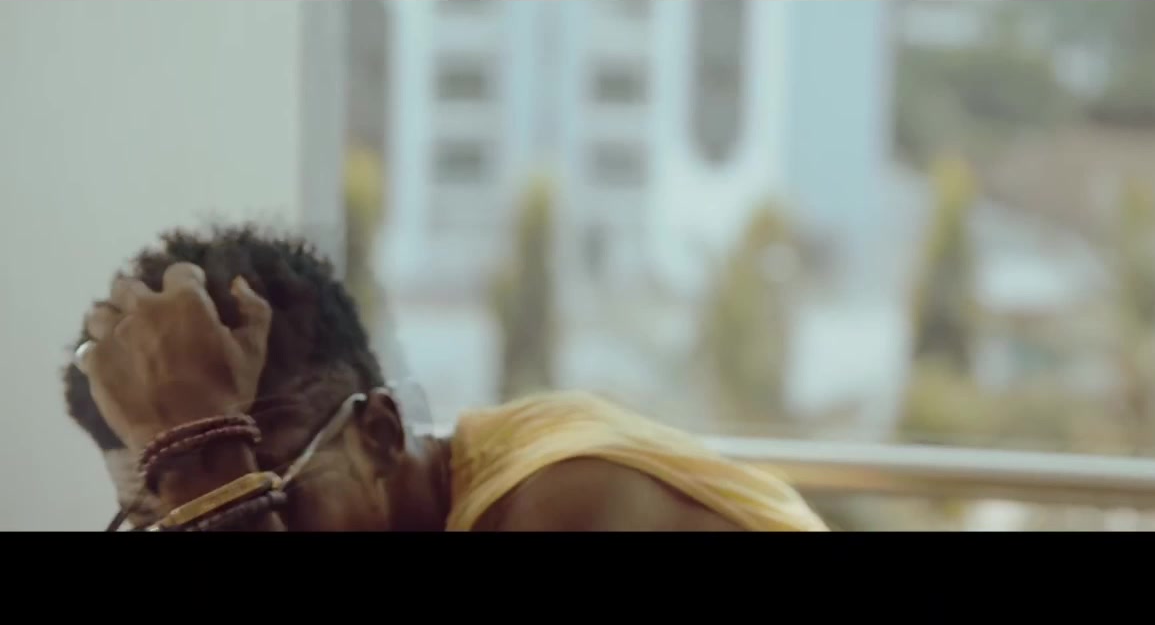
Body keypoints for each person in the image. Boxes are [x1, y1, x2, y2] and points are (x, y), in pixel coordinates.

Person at [65, 225, 829, 532]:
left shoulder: (565, 503)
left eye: (261, 491)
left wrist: (206, 465)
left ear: (379, 432)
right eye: (172, 524)